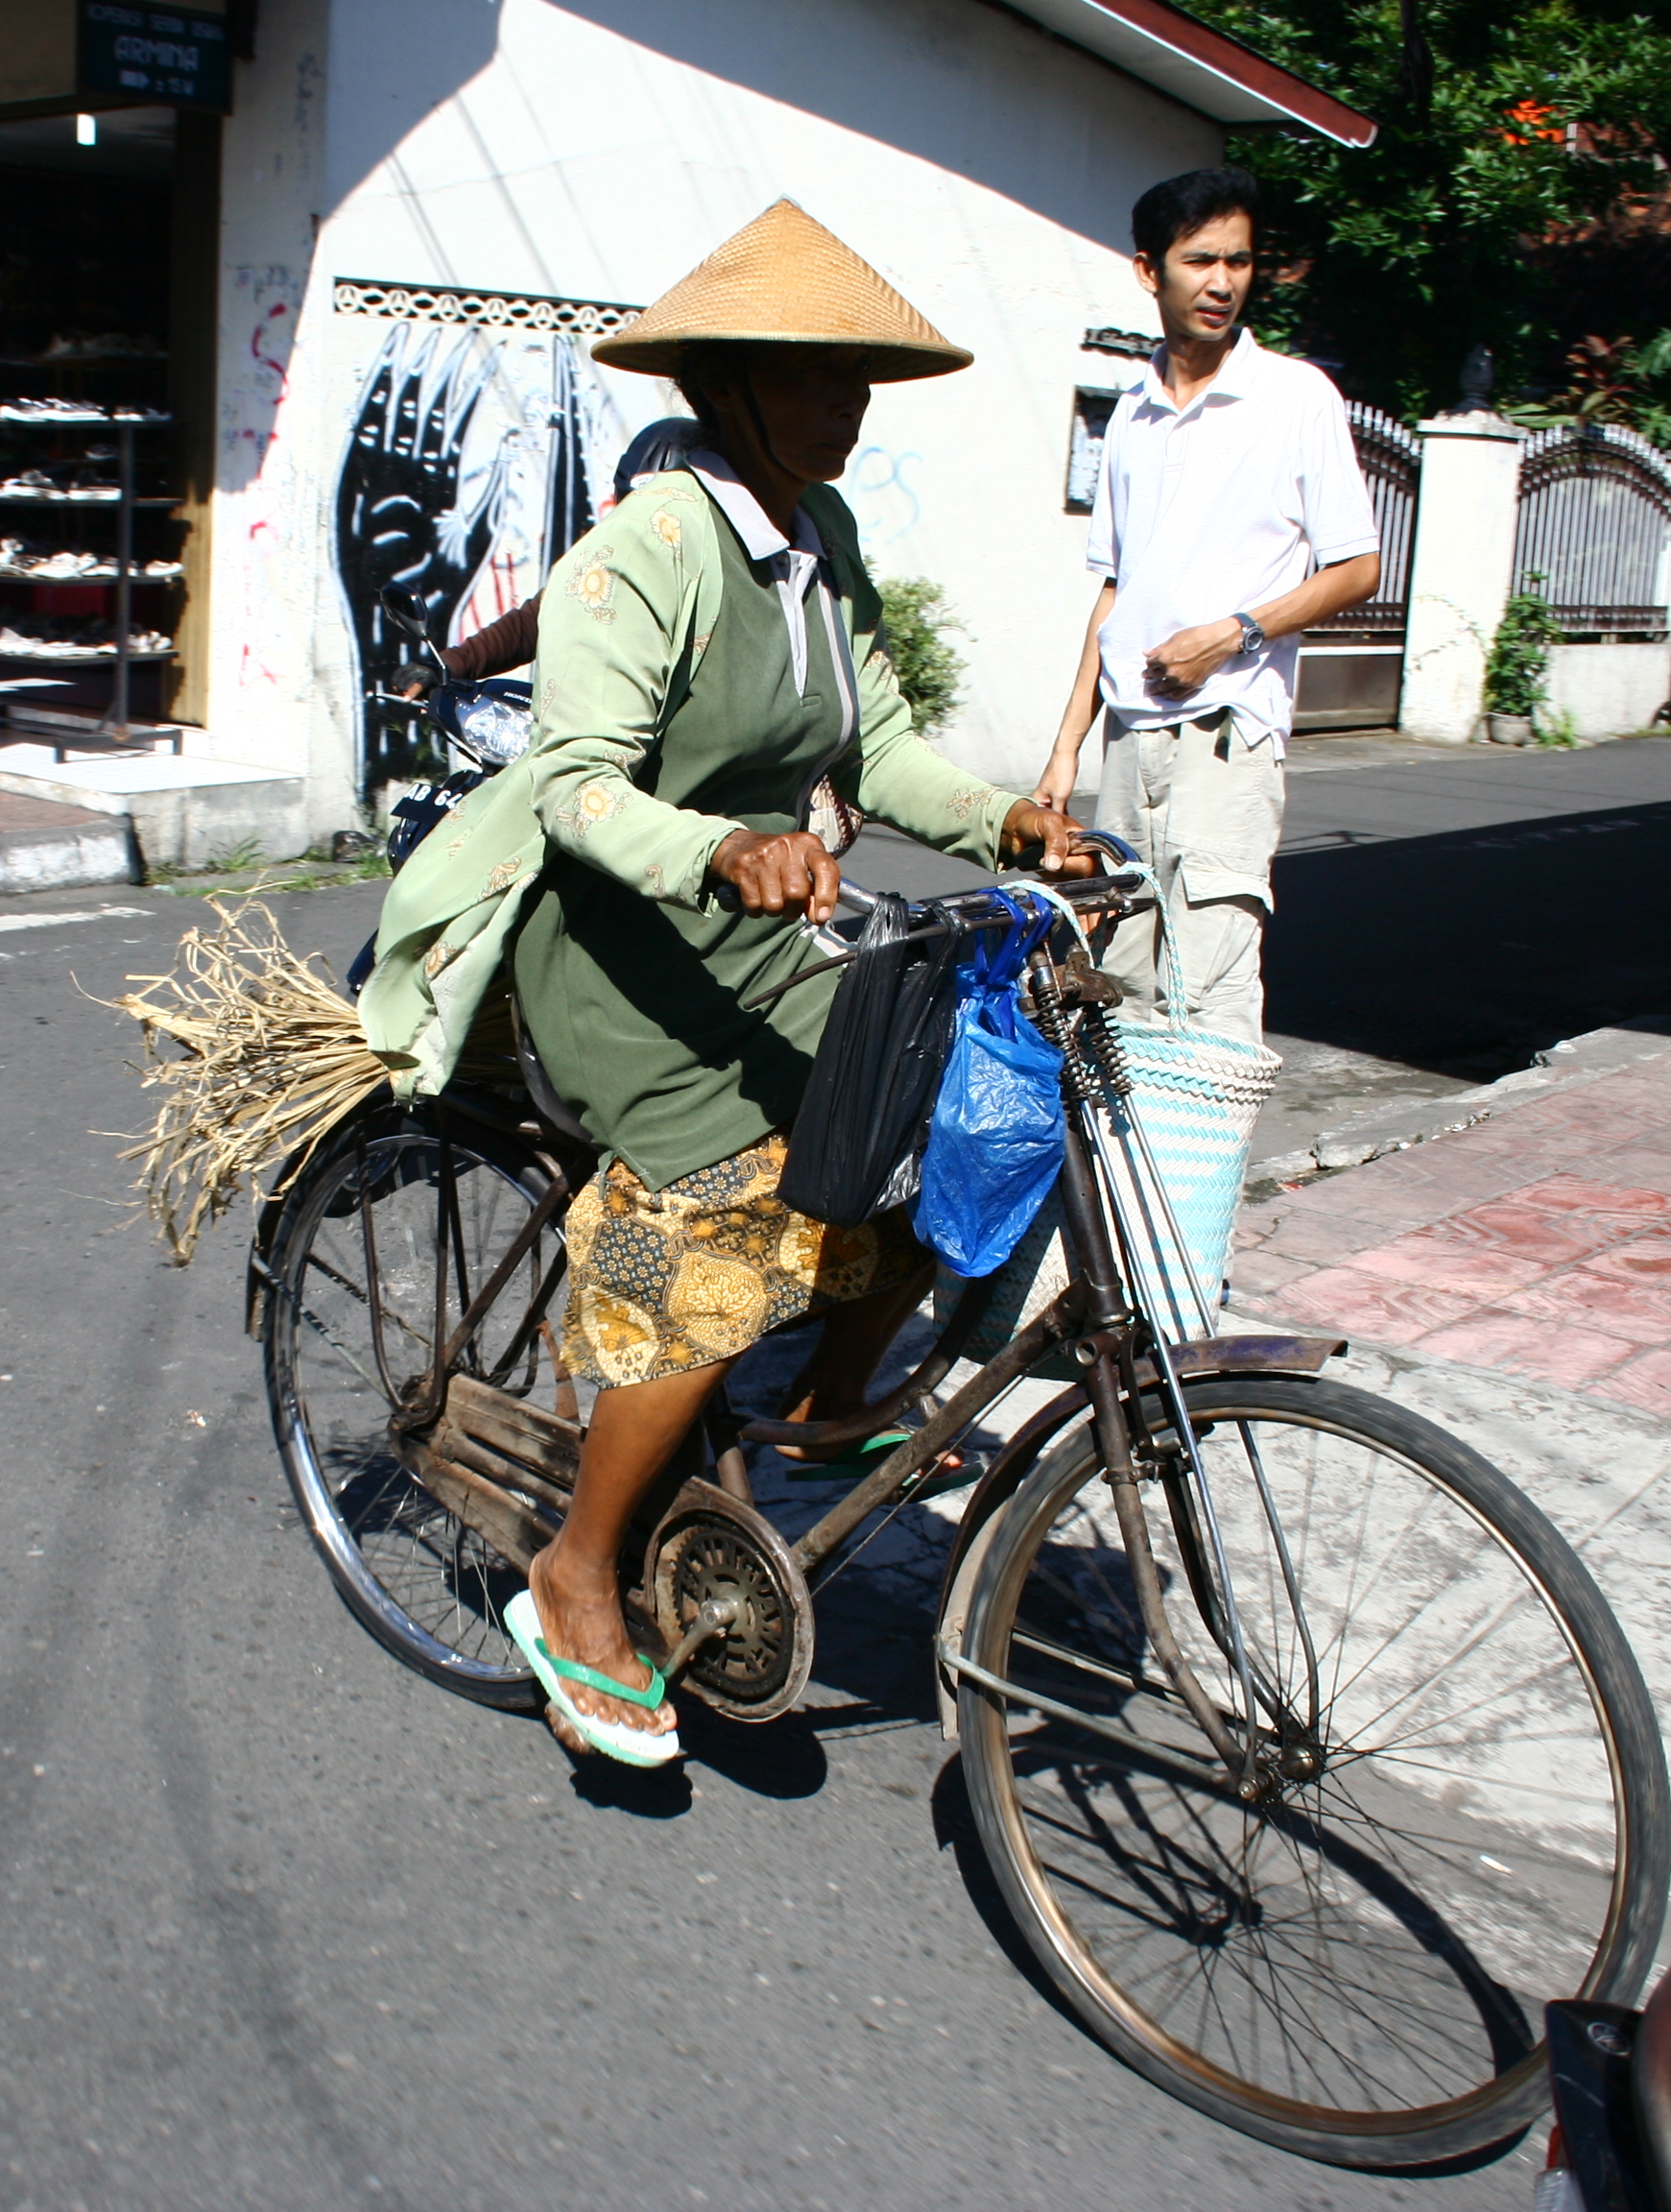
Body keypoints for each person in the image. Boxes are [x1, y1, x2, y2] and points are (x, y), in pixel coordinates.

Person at [355, 201, 1094, 1767]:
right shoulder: (651, 550)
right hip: (618, 955)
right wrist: (728, 849)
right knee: (715, 1223)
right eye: (818, 376)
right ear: (731, 382)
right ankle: (575, 1571)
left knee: (945, 1117)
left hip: (761, 940)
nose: (850, 406)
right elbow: (576, 785)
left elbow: (878, 753)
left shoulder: (822, 546)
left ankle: (818, 1413)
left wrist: (1005, 819)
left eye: (861, 379)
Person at [1033, 167, 1381, 1048]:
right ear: (1149, 271)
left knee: (1209, 985)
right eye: (1200, 261)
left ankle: (1207, 1148)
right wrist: (1066, 748)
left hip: (1226, 732)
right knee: (1115, 982)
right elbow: (1116, 590)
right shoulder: (1132, 415)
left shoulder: (1295, 397)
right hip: (1129, 743)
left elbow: (1358, 568)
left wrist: (1236, 633)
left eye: (1239, 261)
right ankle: (1132, 1147)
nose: (1222, 282)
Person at [409, 418, 707, 688]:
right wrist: (449, 665)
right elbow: (538, 620)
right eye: (639, 511)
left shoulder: (719, 574)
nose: (652, 529)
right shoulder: (612, 559)